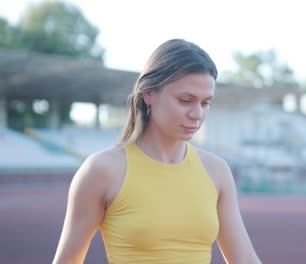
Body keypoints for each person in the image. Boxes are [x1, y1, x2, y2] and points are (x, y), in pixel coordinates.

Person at [53, 39, 262, 264]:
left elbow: (245, 259)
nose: (197, 114)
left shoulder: (217, 171)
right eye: (185, 100)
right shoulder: (103, 170)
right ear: (148, 94)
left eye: (205, 103)